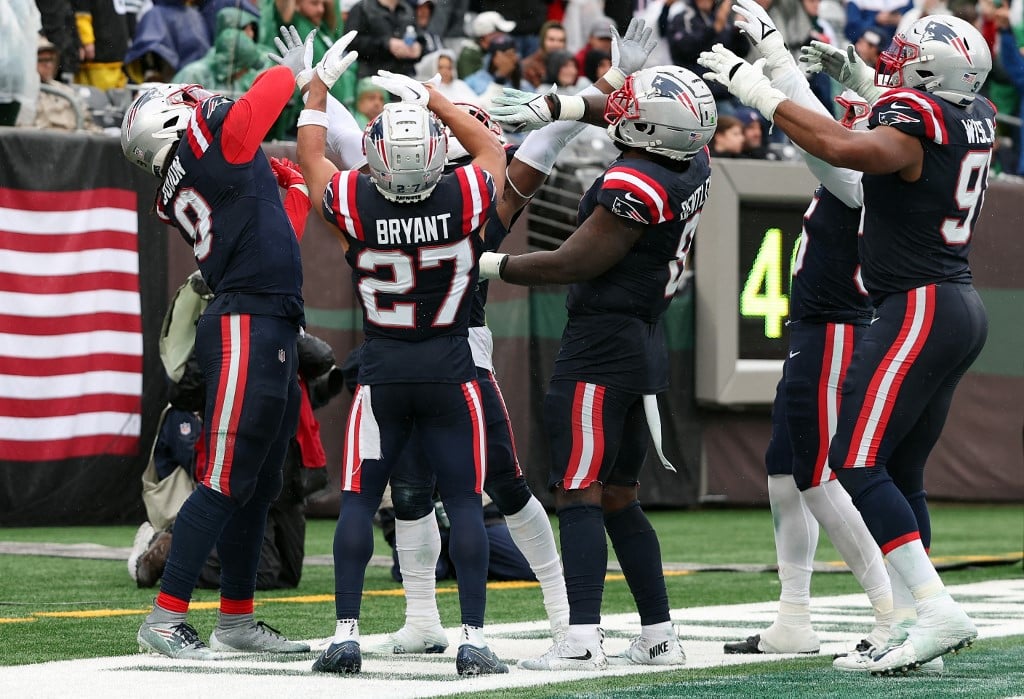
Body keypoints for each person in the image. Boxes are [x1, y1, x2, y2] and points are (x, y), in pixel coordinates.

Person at [699, 12, 993, 675]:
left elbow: (848, 148)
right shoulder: (974, 110)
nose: (891, 63)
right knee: (901, 467)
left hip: (917, 304)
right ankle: (923, 623)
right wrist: (858, 77)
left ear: (928, 73)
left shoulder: (917, 124)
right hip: (952, 303)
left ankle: (930, 606)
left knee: (855, 460)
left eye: (903, 58)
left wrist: (759, 88)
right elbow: (898, 123)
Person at [484, 53, 716, 671]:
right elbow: (615, 112)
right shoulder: (691, 159)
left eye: (632, 111)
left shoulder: (636, 185)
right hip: (642, 341)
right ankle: (659, 634)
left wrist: (486, 264)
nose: (619, 113)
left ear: (649, 129)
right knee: (619, 495)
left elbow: (571, 263)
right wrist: (560, 106)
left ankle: (583, 636)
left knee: (581, 492)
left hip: (600, 347)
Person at [295, 31, 511, 676]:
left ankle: (345, 635)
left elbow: (310, 154)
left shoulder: (354, 201)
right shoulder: (467, 196)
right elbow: (492, 146)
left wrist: (316, 88)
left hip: (383, 371)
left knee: (360, 499)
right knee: (466, 503)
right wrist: (434, 98)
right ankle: (472, 640)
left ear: (377, 157)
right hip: (449, 370)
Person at [716, 0, 901, 670]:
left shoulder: (861, 178)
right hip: (817, 327)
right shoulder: (865, 169)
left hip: (835, 331)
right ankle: (794, 614)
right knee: (784, 469)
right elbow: (834, 125)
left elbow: (816, 135)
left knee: (821, 477)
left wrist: (773, 66)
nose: (848, 122)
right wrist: (811, 66)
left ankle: (892, 610)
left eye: (858, 118)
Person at [120, 56, 312, 658]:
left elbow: (280, 233)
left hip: (270, 317)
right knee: (228, 477)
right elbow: (262, 101)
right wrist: (294, 70)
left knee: (260, 483)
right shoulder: (208, 143)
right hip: (243, 325)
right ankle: (166, 615)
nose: (194, 96)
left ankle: (237, 619)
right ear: (172, 120)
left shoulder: (201, 169)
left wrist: (296, 186)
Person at [33, 34, 101, 132]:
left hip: (75, 142)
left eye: (50, 60)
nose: (47, 65)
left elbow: (87, 124)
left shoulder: (65, 91)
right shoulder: (24, 96)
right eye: (41, 60)